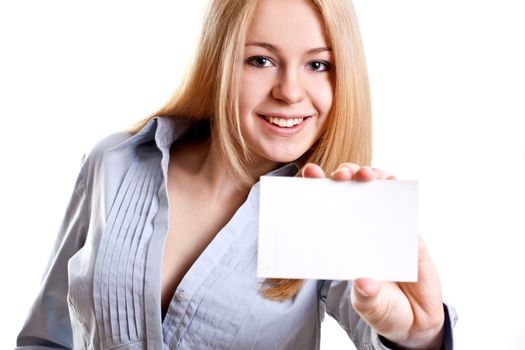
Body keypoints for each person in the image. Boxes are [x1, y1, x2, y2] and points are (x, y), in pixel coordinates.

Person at [16, 0, 457, 349]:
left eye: (318, 64)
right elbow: (47, 338)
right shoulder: (114, 162)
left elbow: (383, 328)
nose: (289, 91)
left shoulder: (330, 210)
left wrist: (419, 337)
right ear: (219, 61)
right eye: (261, 61)